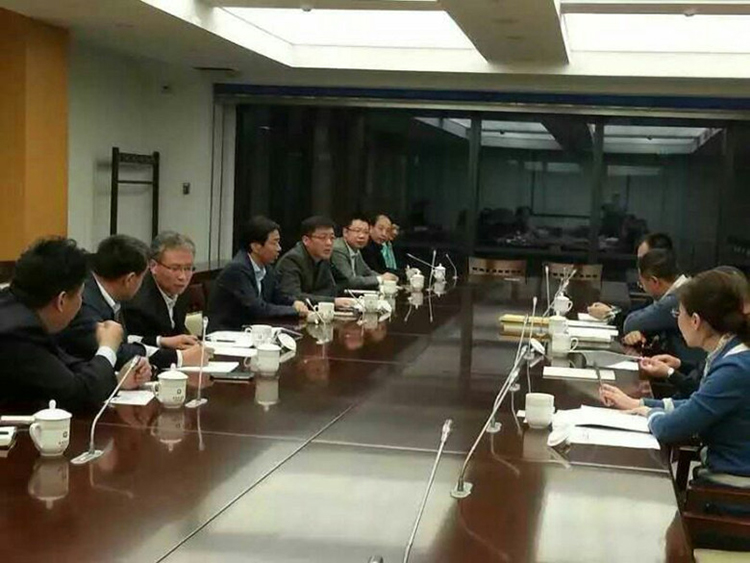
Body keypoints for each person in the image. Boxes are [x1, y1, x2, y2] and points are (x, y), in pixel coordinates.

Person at [600, 268, 750, 488]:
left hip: (733, 481)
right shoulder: (731, 352)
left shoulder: (735, 368)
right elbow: (695, 405)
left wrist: (647, 412)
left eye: (679, 313)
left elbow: (671, 428)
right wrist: (639, 403)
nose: (677, 320)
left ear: (695, 321)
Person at [0, 238, 146, 413]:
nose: (81, 303)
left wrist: (116, 379)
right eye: (79, 296)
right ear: (61, 301)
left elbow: (64, 371)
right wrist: (108, 348)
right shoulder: (17, 335)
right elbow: (76, 395)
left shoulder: (14, 307)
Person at [56, 235, 167, 372]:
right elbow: (113, 351)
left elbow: (120, 339)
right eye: (142, 279)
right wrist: (176, 356)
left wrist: (160, 341)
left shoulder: (103, 293)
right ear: (130, 279)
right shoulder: (84, 303)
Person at [207, 216, 308, 331]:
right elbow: (257, 309)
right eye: (274, 243)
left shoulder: (267, 268)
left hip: (251, 330)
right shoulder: (237, 270)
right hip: (227, 332)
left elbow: (278, 296)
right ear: (256, 247)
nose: (279, 248)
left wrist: (294, 303)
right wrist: (294, 311)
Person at [121, 231, 205, 366]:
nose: (183, 277)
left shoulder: (179, 289)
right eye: (175, 268)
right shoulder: (137, 299)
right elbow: (127, 345)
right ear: (153, 266)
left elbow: (177, 333)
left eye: (188, 268)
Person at [620, 249, 704, 365]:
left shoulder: (679, 298)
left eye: (642, 284)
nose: (643, 289)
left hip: (690, 367)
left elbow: (630, 324)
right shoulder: (691, 288)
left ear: (654, 281)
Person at [588, 232, 674, 320]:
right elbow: (638, 313)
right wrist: (613, 311)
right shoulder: (656, 297)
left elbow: (638, 322)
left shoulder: (675, 300)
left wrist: (610, 315)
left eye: (643, 261)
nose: (639, 267)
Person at [276, 216, 356, 307]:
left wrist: (320, 296)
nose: (329, 243)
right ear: (306, 240)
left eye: (332, 238)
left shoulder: (322, 258)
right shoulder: (291, 260)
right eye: (323, 238)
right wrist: (333, 301)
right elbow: (293, 296)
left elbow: (339, 285)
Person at [331, 214, 398, 291]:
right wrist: (380, 279)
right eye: (357, 231)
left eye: (366, 232)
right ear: (345, 232)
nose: (362, 236)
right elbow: (350, 281)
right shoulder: (338, 249)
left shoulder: (356, 249)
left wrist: (387, 279)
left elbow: (367, 272)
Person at [361, 213, 402, 278]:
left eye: (387, 231)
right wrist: (403, 274)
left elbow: (383, 269)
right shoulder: (364, 246)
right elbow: (377, 271)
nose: (384, 234)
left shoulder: (377, 247)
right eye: (380, 229)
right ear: (371, 228)